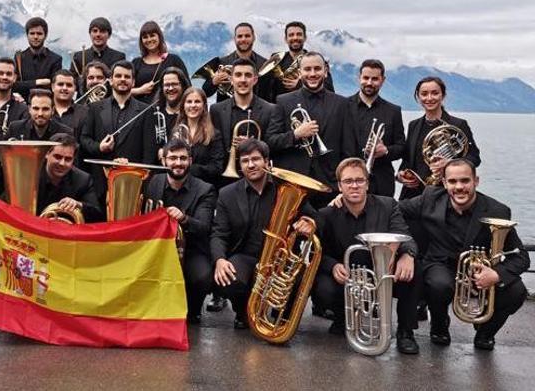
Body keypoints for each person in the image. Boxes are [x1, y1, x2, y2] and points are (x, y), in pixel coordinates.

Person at [399, 159, 528, 350]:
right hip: (440, 266)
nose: (459, 187)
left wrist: (496, 274)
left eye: (465, 181)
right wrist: (344, 199)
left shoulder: (497, 210)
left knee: (517, 292)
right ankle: (439, 326)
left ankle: (485, 333)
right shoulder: (430, 198)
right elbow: (391, 209)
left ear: (476, 181)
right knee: (438, 284)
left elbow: (521, 256)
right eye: (452, 181)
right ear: (444, 183)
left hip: (478, 273)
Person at [314, 158, 419, 354]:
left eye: (359, 180)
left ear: (367, 183)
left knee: (410, 272)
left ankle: (406, 332)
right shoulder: (327, 214)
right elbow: (320, 251)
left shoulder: (387, 206)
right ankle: (342, 319)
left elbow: (405, 236)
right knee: (323, 287)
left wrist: (408, 255)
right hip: (347, 275)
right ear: (340, 185)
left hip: (381, 273)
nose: (354, 185)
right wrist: (333, 266)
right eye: (348, 181)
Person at [210, 139, 317, 329]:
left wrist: (309, 223)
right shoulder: (227, 194)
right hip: (244, 255)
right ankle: (244, 313)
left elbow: (313, 216)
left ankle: (279, 316)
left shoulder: (287, 188)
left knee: (300, 279)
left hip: (278, 258)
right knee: (229, 278)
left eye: (256, 159)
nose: (251, 165)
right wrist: (219, 259)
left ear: (267, 161)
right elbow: (219, 233)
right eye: (245, 161)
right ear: (240, 166)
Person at [144, 139, 217, 323]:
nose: (178, 163)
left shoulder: (205, 189)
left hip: (192, 249)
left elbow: (204, 227)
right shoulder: (154, 181)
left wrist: (184, 219)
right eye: (173, 158)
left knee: (202, 277)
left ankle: (192, 312)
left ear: (191, 161)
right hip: (159, 248)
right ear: (163, 161)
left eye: (183, 158)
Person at [274, 52, 354, 207]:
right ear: (300, 72)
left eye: (317, 69)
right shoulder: (283, 101)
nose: (312, 74)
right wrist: (296, 134)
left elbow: (349, 150)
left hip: (329, 186)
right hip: (293, 184)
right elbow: (271, 142)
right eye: (307, 69)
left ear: (325, 71)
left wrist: (343, 185)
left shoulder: (342, 104)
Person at [80, 61, 156, 197]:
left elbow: (149, 151)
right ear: (110, 81)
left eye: (127, 77)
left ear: (133, 82)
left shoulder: (146, 110)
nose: (122, 79)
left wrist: (142, 180)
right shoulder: (95, 108)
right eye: (118, 76)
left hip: (132, 183)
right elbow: (84, 139)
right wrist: (99, 147)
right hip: (100, 184)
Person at [398, 76, 481, 200]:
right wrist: (401, 174)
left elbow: (474, 158)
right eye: (424, 94)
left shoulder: (458, 125)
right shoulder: (413, 125)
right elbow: (407, 160)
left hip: (445, 194)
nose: (429, 98)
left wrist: (450, 164)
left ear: (443, 96)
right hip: (414, 195)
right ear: (418, 97)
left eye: (435, 93)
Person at [210, 58, 286, 172]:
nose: (243, 80)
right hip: (224, 178)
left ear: (255, 80)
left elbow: (275, 146)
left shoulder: (271, 110)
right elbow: (214, 147)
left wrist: (253, 145)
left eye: (248, 75)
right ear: (231, 79)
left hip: (259, 174)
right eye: (238, 75)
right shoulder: (216, 109)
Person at [344, 59, 405, 197]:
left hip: (382, 183)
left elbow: (401, 147)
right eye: (365, 78)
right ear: (359, 78)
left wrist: (386, 150)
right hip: (350, 181)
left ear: (383, 80)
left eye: (375, 79)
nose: (369, 83)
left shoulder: (393, 111)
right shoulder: (343, 106)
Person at [261, 21, 334, 103]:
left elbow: (330, 91)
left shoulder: (317, 61)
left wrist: (301, 84)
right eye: (291, 35)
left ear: (305, 38)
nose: (295, 38)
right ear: (286, 39)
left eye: (299, 34)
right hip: (280, 110)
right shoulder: (276, 59)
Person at [36, 133, 101, 222]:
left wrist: (78, 204)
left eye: (68, 159)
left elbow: (97, 214)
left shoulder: (83, 180)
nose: (62, 163)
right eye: (57, 157)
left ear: (73, 159)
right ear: (47, 154)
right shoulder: (32, 176)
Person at [201, 22, 269, 102]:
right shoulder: (222, 62)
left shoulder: (265, 64)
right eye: (240, 36)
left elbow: (271, 94)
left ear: (253, 38)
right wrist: (214, 82)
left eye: (247, 36)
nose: (243, 39)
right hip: (228, 112)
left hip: (258, 111)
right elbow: (205, 93)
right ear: (235, 39)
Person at [170, 87, 225, 185]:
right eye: (189, 102)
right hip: (178, 187)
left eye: (197, 101)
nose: (193, 105)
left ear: (204, 106)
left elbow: (217, 168)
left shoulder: (214, 134)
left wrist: (190, 168)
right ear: (183, 106)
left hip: (203, 188)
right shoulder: (176, 131)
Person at [129, 21, 189, 103]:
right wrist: (140, 90)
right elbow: (122, 91)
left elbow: (187, 87)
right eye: (145, 37)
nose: (149, 39)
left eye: (152, 36)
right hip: (140, 111)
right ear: (141, 40)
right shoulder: (136, 63)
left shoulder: (174, 60)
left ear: (159, 37)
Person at [70, 17, 126, 91]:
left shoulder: (119, 57)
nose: (98, 35)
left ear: (109, 35)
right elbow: (71, 83)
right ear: (90, 34)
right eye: (95, 31)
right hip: (83, 102)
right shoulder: (78, 56)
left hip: (109, 101)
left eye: (102, 31)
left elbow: (120, 82)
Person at [14, 17, 63, 100]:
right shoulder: (19, 57)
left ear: (45, 35)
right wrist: (38, 82)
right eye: (32, 33)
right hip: (23, 106)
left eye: (39, 33)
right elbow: (15, 85)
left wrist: (26, 85)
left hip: (46, 106)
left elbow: (54, 86)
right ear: (27, 35)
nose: (35, 37)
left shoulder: (55, 59)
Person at [144, 67, 189, 151]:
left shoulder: (191, 115)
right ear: (162, 88)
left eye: (174, 84)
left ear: (183, 86)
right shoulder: (153, 115)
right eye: (167, 85)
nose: (171, 88)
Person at [0, 57, 29, 134]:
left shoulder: (22, 109)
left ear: (14, 78)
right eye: (0, 73)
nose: (4, 77)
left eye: (9, 74)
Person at [6, 89, 73, 141]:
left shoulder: (65, 133)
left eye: (45, 109)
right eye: (36, 108)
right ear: (29, 109)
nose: (40, 113)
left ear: (52, 110)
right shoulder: (15, 129)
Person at [51, 69, 88, 138]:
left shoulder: (85, 113)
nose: (64, 88)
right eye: (60, 84)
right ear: (52, 87)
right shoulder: (43, 110)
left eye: (69, 85)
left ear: (75, 88)